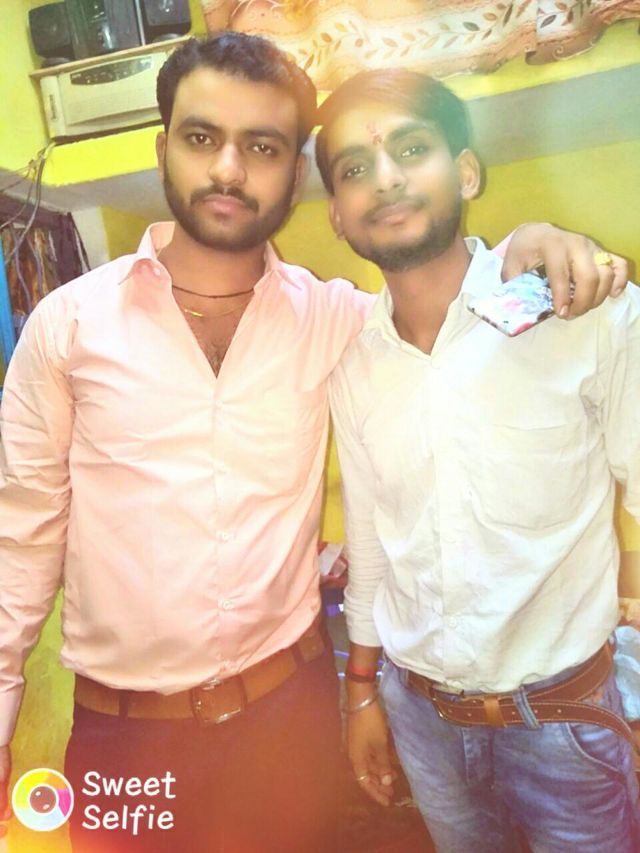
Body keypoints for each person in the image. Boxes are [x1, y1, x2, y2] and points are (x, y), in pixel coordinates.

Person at [0, 33, 629, 852]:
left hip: (288, 725)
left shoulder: (334, 320)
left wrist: (531, 241)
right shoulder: (69, 326)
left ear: (295, 177)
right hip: (123, 738)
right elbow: (18, 536)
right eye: (201, 137)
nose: (229, 169)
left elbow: (443, 290)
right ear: (163, 150)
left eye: (262, 146)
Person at [320, 68, 640, 852]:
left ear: (466, 171)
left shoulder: (580, 309)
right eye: (355, 168)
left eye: (411, 149)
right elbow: (370, 545)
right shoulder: (353, 363)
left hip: (566, 723)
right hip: (422, 721)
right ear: (336, 213)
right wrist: (361, 694)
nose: (385, 178)